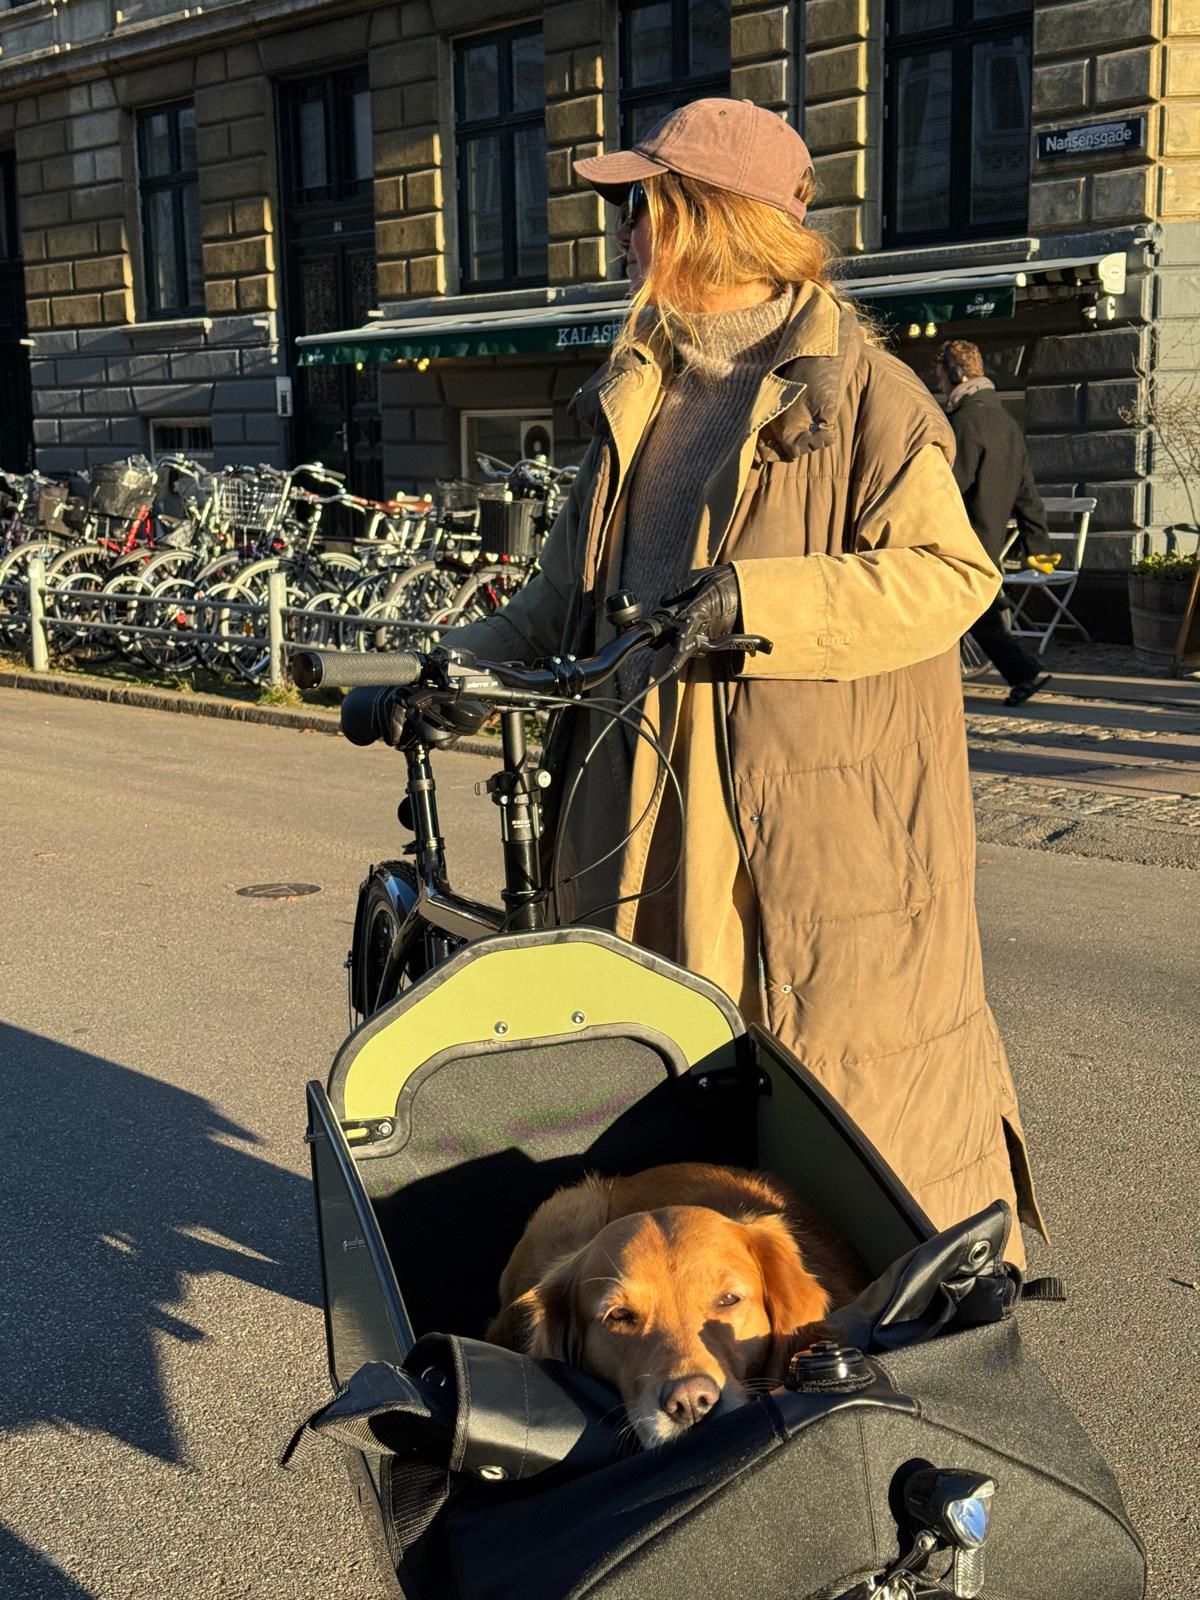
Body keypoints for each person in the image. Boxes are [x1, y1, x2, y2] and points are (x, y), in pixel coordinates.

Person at [443, 98, 1043, 1264]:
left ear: (708, 220)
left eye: (638, 204)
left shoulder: (867, 398)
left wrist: (753, 602)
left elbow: (948, 576)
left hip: (797, 830)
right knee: (661, 1094)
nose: (620, 228)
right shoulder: (638, 393)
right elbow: (552, 602)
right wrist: (446, 676)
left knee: (827, 1123)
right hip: (631, 812)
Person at [935, 339, 1056, 707]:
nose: (940, 385)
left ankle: (1022, 673)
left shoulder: (965, 422)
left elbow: (950, 487)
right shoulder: (1005, 422)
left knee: (965, 615)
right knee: (978, 615)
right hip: (989, 542)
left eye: (940, 377)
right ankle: (1021, 674)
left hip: (960, 539)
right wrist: (1040, 547)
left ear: (955, 375)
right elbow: (1026, 491)